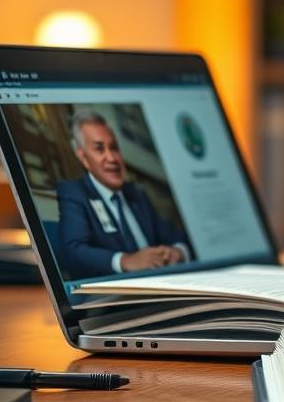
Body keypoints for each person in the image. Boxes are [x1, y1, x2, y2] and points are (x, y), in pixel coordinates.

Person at [57, 109, 192, 279]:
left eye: (114, 148)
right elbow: (74, 252)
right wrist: (125, 261)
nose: (112, 158)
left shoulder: (137, 194)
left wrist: (177, 252)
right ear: (83, 157)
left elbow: (176, 237)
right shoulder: (74, 193)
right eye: (100, 149)